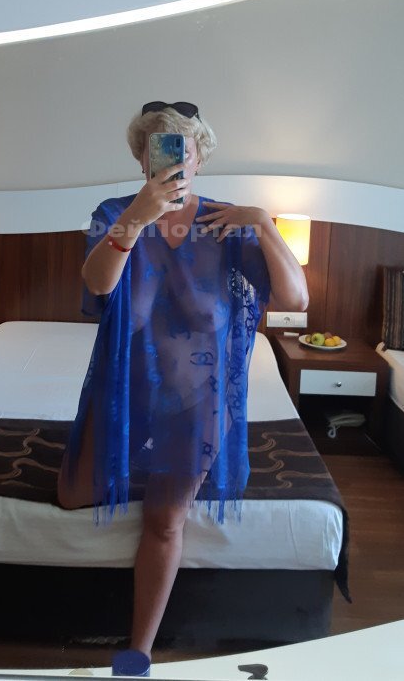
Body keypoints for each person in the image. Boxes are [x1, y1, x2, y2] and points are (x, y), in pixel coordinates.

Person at [57, 101, 308, 670]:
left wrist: (263, 221)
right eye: (158, 147)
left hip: (198, 402)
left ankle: (137, 653)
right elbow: (98, 286)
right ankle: (155, 465)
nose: (172, 160)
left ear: (199, 157)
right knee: (71, 495)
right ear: (141, 158)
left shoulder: (225, 221)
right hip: (125, 392)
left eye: (182, 149)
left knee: (164, 521)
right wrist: (137, 219)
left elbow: (296, 300)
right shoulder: (116, 213)